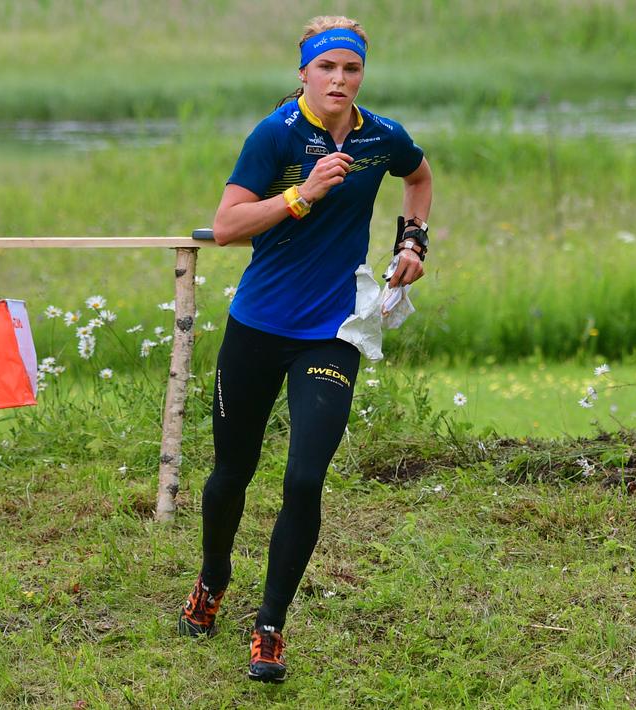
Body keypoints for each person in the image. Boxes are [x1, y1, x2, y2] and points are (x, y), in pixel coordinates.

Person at [176, 15, 433, 683]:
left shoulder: (381, 137)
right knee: (232, 472)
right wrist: (302, 193)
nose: (339, 79)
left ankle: (270, 627)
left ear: (361, 75)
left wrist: (412, 242)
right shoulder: (276, 134)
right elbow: (227, 225)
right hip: (258, 328)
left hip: (332, 332)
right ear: (304, 74)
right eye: (327, 68)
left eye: (351, 68)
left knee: (304, 478)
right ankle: (212, 578)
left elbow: (419, 177)